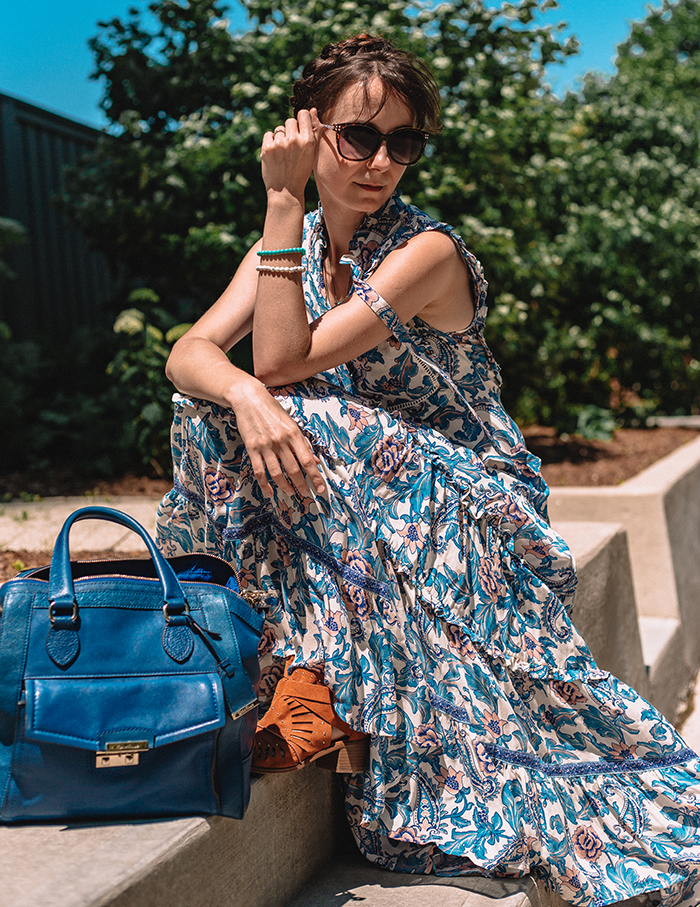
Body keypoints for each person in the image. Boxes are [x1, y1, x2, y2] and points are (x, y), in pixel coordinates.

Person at [156, 33, 700, 906]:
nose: (381, 162)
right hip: (352, 490)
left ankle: (306, 678)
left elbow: (284, 358)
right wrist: (243, 391)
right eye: (359, 137)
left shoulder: (426, 252)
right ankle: (280, 665)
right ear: (308, 128)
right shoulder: (288, 251)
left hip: (473, 501)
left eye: (403, 142)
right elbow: (188, 355)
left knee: (293, 408)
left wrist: (283, 200)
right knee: (212, 407)